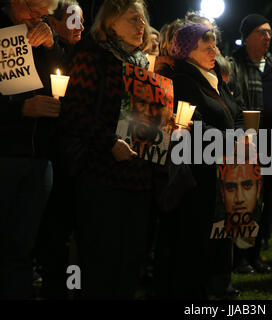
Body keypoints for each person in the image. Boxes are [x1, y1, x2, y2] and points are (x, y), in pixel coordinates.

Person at [59, 0, 156, 299]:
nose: (141, 25)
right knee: (100, 260)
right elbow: (75, 110)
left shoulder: (143, 63)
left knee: (129, 261)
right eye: (133, 19)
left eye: (143, 20)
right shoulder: (94, 56)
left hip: (138, 178)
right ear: (111, 22)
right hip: (101, 175)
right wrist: (109, 143)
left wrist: (166, 128)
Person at [154, 22, 242, 299]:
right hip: (198, 175)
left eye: (215, 44)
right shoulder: (183, 81)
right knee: (195, 241)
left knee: (214, 238)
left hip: (220, 170)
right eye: (208, 46)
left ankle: (214, 286)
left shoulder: (212, 76)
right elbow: (193, 125)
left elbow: (234, 112)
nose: (215, 50)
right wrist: (233, 140)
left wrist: (241, 132)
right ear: (189, 50)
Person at [0, 0, 61, 300]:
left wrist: (52, 46)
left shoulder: (41, 32)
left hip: (39, 159)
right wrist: (20, 109)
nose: (40, 17)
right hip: (5, 155)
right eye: (36, 9)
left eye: (46, 13)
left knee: (23, 247)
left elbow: (64, 80)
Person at [32, 0, 85, 300]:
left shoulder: (83, 55)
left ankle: (70, 287)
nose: (81, 26)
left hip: (72, 159)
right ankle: (55, 288)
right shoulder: (44, 53)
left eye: (82, 19)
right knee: (52, 232)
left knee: (68, 233)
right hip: (48, 154)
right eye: (73, 19)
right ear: (52, 22)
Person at [228, 13, 272, 275]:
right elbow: (234, 102)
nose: (267, 37)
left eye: (269, 32)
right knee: (244, 202)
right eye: (261, 32)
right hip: (246, 144)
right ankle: (239, 255)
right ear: (247, 36)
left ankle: (255, 253)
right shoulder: (234, 65)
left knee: (264, 202)